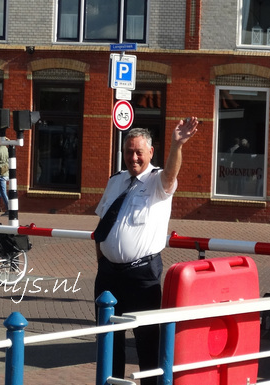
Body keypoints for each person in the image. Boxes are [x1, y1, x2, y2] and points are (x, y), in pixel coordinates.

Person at [93, 117, 199, 385]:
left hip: (141, 276)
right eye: (129, 152)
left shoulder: (157, 182)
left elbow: (172, 174)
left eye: (139, 152)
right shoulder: (115, 180)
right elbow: (102, 224)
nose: (134, 158)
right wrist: (102, 261)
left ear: (150, 152)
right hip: (108, 275)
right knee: (108, 341)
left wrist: (177, 145)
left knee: (147, 342)